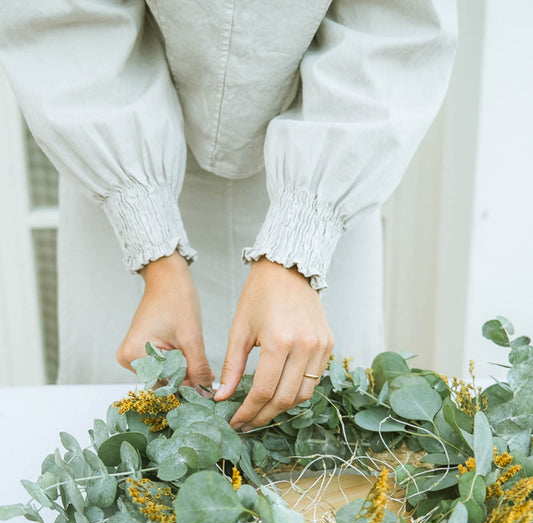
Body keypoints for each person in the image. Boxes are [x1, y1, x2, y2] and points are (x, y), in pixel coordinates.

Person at [0, 1, 457, 430]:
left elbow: (392, 27)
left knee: (327, 429)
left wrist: (297, 250)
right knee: (123, 438)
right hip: (118, 147)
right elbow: (70, 23)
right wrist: (153, 249)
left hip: (330, 153)